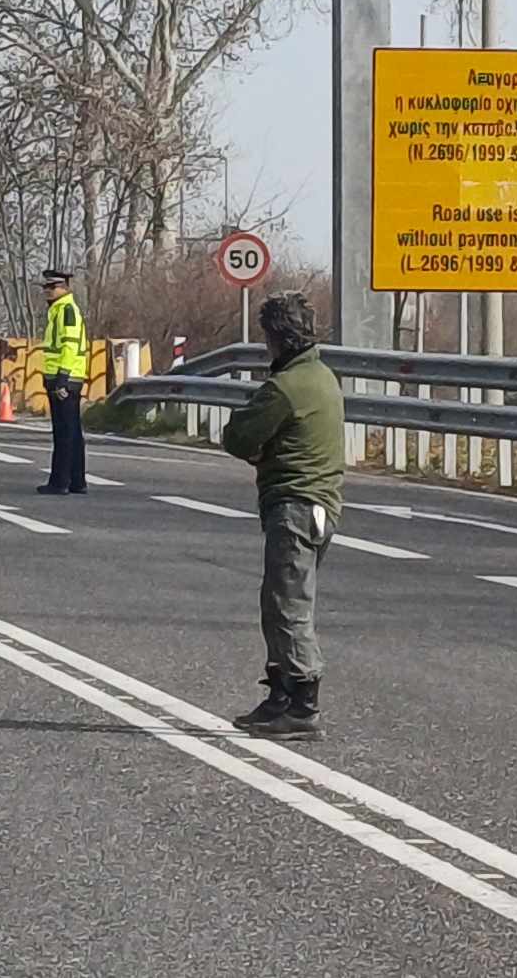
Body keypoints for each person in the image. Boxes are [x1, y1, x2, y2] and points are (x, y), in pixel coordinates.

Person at [221, 292, 343, 740]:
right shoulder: (322, 375)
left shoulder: (285, 387)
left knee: (288, 603)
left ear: (277, 337)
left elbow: (237, 436)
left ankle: (302, 702)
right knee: (278, 599)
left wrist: (258, 447)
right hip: (318, 505)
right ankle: (280, 693)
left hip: (295, 504)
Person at [34, 268, 89, 496]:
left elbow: (69, 345)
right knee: (72, 431)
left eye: (52, 287)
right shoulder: (59, 310)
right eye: (45, 287)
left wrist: (62, 379)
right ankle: (77, 481)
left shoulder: (66, 310)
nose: (47, 291)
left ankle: (60, 482)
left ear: (64, 288)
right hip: (64, 376)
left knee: (64, 432)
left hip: (64, 377)